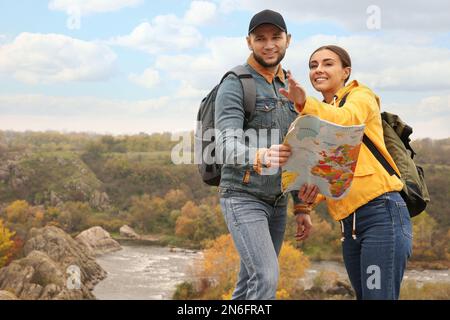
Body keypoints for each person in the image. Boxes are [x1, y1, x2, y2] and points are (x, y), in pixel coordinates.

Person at [279, 45, 413, 300]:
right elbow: (329, 173)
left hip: (382, 214)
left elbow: (346, 120)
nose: (318, 69)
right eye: (313, 65)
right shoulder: (318, 113)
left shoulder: (361, 96)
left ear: (345, 72)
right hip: (348, 226)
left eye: (328, 63)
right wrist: (307, 202)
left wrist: (303, 103)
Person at [215, 9, 316, 300]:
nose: (269, 44)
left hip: (278, 202)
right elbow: (224, 144)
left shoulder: (290, 86)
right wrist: (260, 155)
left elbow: (298, 151)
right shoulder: (236, 82)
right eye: (260, 38)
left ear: (288, 40)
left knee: (249, 285)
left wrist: (301, 207)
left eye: (276, 37)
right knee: (266, 277)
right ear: (249, 42)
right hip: (243, 196)